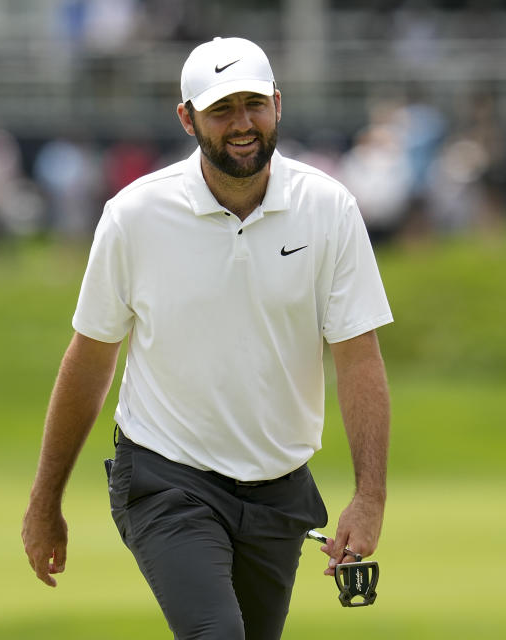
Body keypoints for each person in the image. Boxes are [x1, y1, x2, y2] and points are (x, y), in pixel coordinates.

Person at [22, 36, 393, 639]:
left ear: (278, 104)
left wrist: (370, 495)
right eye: (221, 109)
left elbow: (358, 357)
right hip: (168, 477)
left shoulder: (329, 209)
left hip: (279, 488)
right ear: (187, 118)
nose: (241, 124)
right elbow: (90, 363)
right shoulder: (134, 215)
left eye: (254, 104)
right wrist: (45, 500)